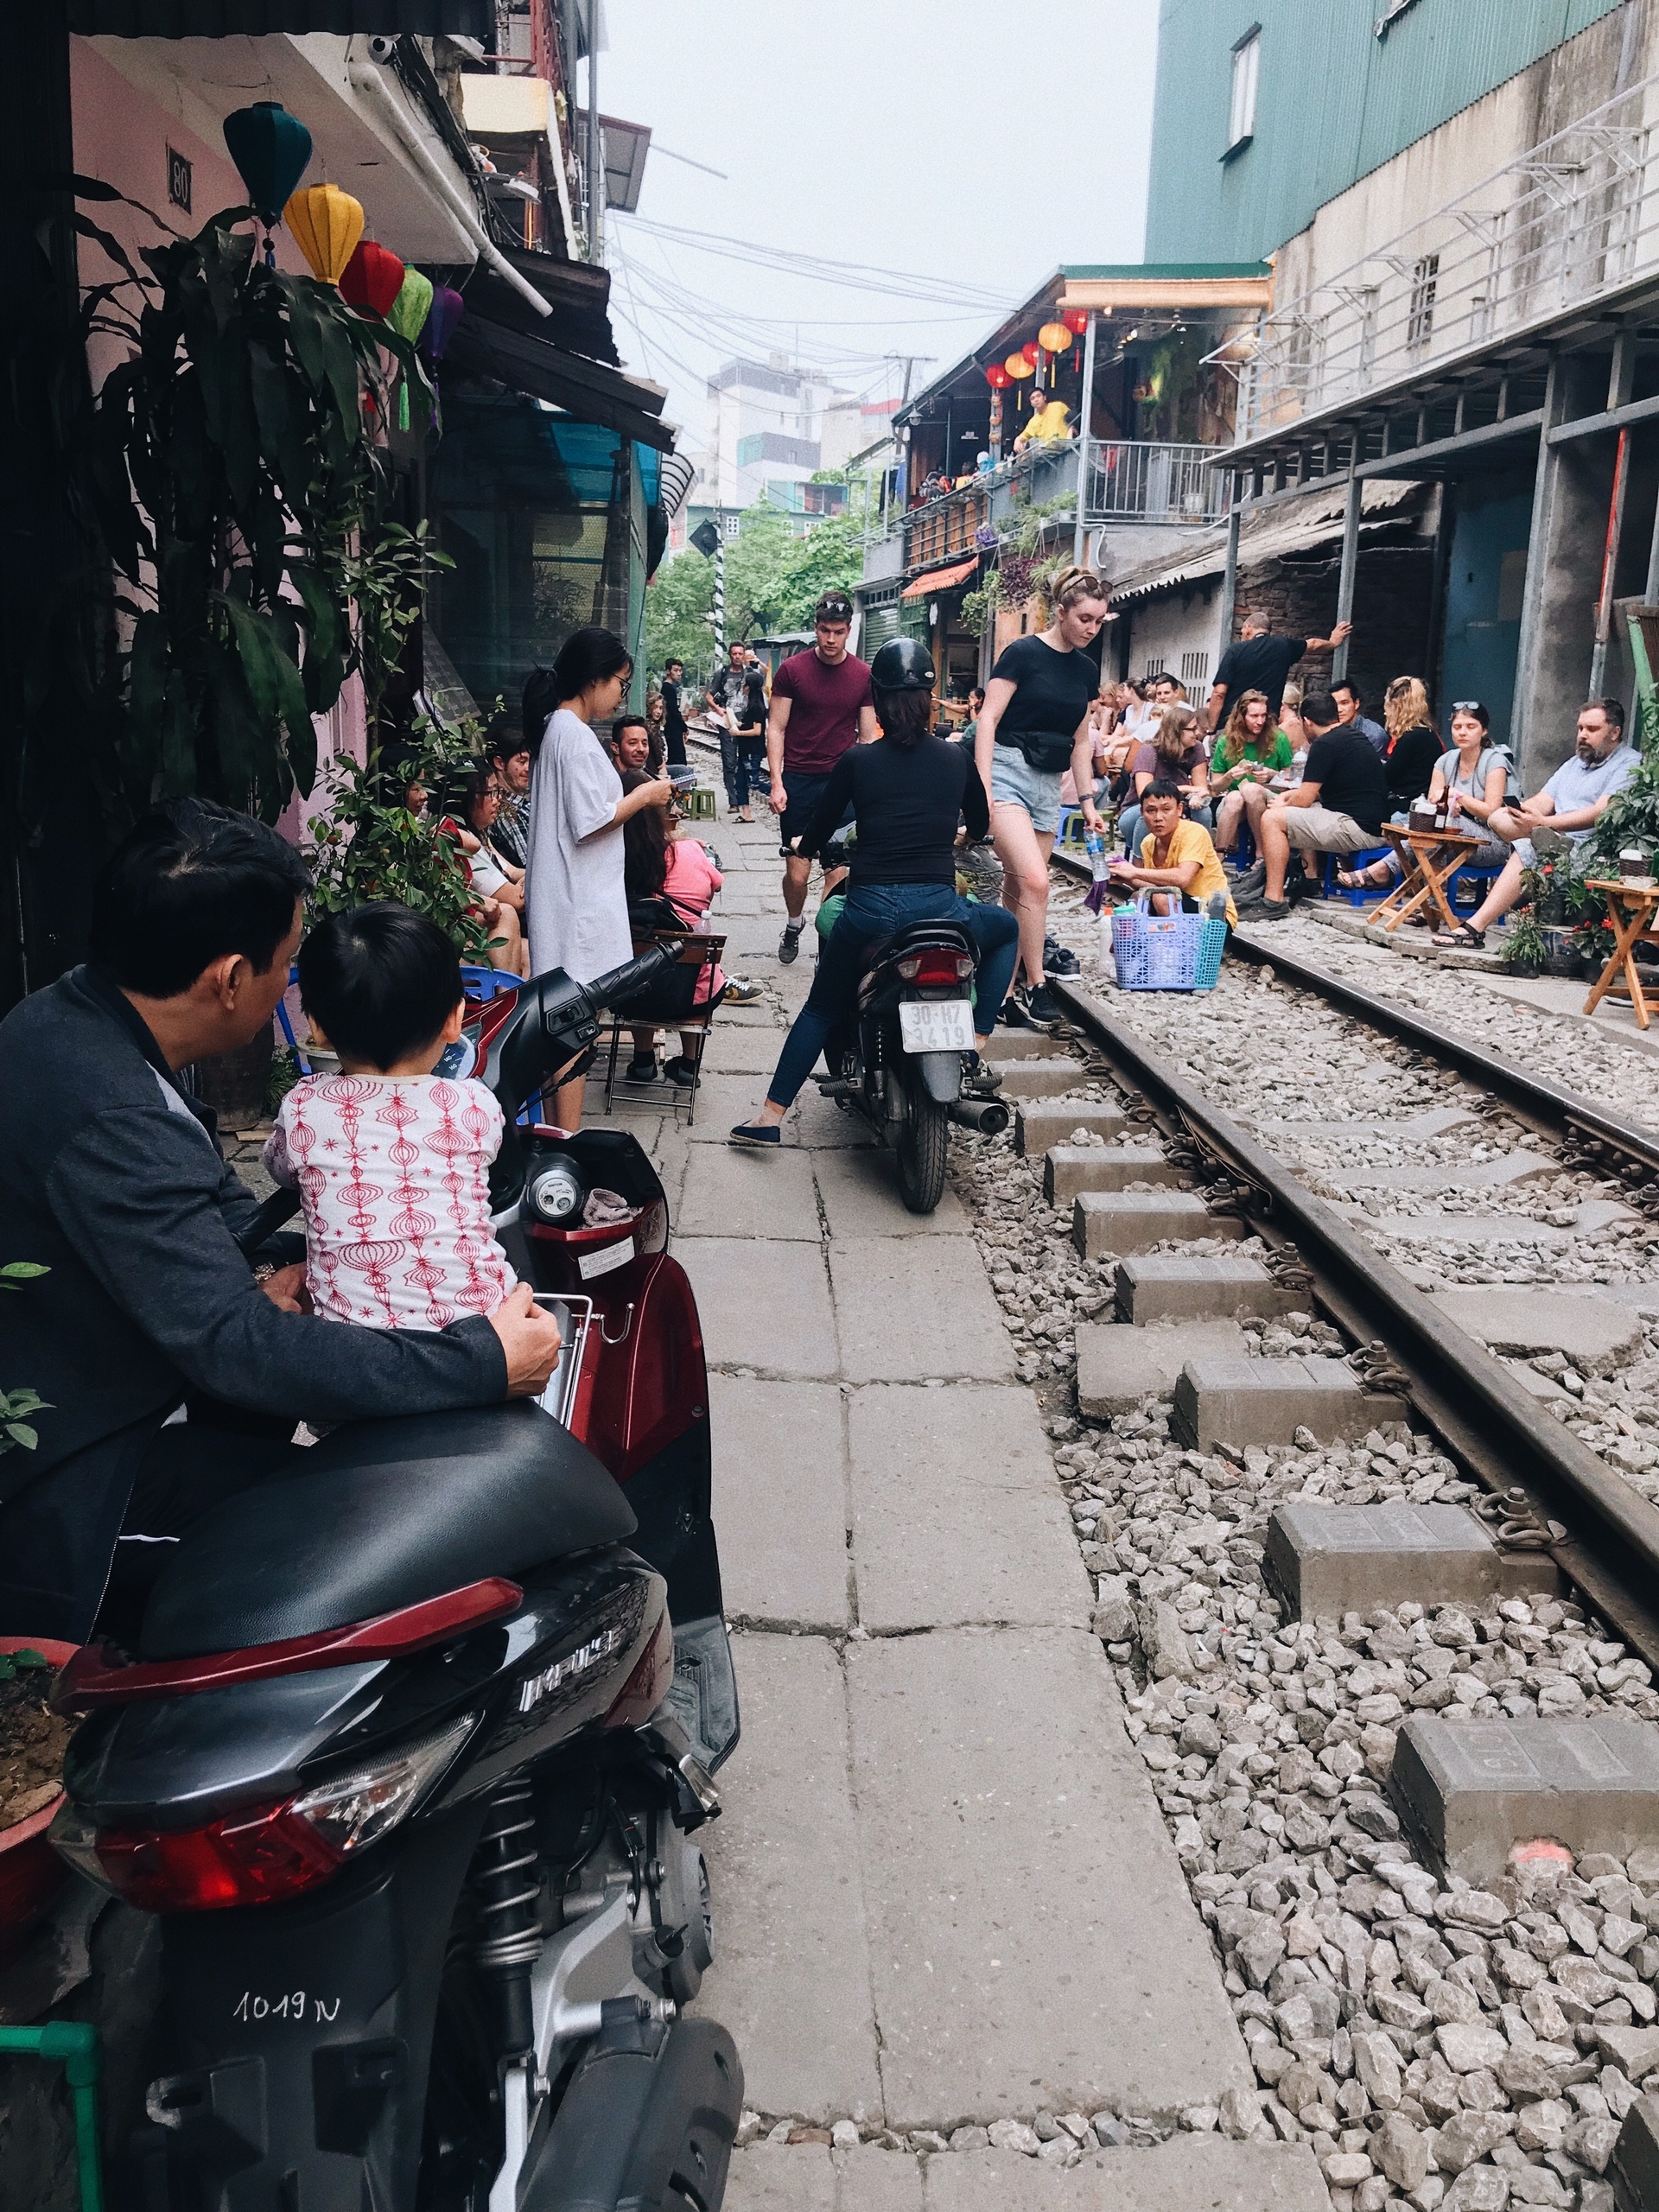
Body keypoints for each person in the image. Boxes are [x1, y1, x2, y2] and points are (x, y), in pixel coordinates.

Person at [0, 800, 563, 1638]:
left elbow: (200, 1201)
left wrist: (292, 1257)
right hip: (88, 1479)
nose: (291, 986)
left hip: (134, 1382)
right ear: (229, 979)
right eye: (288, 963)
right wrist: (479, 1359)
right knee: (394, 1532)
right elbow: (238, 1350)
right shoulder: (109, 1110)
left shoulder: (77, 1024)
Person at [730, 639, 1021, 1147]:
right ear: (930, 697)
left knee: (822, 1005)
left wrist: (803, 842)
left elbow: (818, 834)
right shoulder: (955, 759)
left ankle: (771, 1117)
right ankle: (975, 1040)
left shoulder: (856, 762)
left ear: (879, 700)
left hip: (871, 915)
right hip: (941, 911)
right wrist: (961, 834)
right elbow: (978, 822)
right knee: (1008, 929)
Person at [266, 905, 518, 1326]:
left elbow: (281, 1169)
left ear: (318, 1028)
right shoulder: (475, 1104)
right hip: (487, 1325)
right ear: (455, 1020)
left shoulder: (302, 1108)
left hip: (353, 1341)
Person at [524, 629, 674, 1130]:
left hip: (565, 896)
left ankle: (556, 1134)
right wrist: (646, 797)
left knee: (562, 1026)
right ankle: (566, 1139)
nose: (621, 695)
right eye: (620, 682)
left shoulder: (555, 730)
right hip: (578, 903)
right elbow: (592, 822)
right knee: (574, 1028)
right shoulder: (575, 737)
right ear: (594, 678)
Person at [976, 566, 1112, 1027]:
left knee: (1018, 889)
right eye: (1085, 619)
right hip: (1006, 771)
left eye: (1099, 622)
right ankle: (1037, 985)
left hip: (1049, 784)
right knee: (1036, 882)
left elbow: (1079, 740)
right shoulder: (1022, 653)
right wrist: (981, 784)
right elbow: (988, 720)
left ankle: (998, 991)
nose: (1092, 630)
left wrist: (1089, 803)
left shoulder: (1087, 670)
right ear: (1062, 612)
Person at [1433, 698, 1640, 949]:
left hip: (1591, 848)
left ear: (1615, 732)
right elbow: (1542, 800)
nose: (1582, 735)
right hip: (1554, 835)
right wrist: (1520, 813)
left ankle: (1474, 928)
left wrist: (1544, 822)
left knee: (1525, 849)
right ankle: (1539, 844)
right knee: (1499, 818)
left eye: (1591, 729)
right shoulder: (1575, 763)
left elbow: (1601, 812)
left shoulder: (1629, 763)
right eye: (1580, 728)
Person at [618, 775, 757, 1086]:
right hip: (690, 996)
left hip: (632, 994)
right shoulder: (690, 852)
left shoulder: (616, 860)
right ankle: (688, 1065)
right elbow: (716, 883)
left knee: (640, 965)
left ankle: (642, 1060)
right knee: (699, 967)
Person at [766, 589, 879, 964]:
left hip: (842, 783)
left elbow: (866, 738)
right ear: (816, 628)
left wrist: (866, 789)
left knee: (839, 873)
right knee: (798, 875)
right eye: (825, 631)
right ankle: (794, 922)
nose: (831, 639)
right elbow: (777, 728)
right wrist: (777, 783)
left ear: (849, 631)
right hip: (799, 781)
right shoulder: (792, 671)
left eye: (839, 632)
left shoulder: (863, 676)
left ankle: (827, 949)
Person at [1241, 690, 1390, 920]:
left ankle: (1273, 900)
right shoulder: (1352, 736)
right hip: (1374, 823)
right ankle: (1307, 879)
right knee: (1295, 814)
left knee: (1272, 820)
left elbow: (1304, 799)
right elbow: (1316, 793)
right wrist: (1288, 799)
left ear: (1307, 721)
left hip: (1357, 827)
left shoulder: (1325, 744)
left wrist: (1282, 801)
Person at [1338, 700, 1515, 894]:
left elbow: (1491, 810)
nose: (1462, 732)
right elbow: (1433, 799)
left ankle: (1384, 870)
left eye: (1470, 727)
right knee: (1432, 822)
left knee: (1444, 822)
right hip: (1449, 840)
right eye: (1457, 727)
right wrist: (1446, 803)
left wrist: (1458, 798)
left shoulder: (1494, 762)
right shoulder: (1445, 760)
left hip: (1489, 845)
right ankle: (1430, 905)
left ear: (1483, 731)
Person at [1107, 779, 1237, 928]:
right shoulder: (1148, 842)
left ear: (1179, 809)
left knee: (1162, 898)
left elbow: (1182, 878)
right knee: (1139, 898)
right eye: (1150, 811)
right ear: (1142, 813)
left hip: (1213, 916)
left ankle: (1178, 949)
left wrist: (1135, 871)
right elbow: (1153, 884)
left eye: (1166, 810)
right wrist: (1126, 877)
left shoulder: (1194, 832)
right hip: (1180, 907)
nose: (1158, 818)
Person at [1207, 609, 1354, 730]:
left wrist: (1212, 728)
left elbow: (1219, 692)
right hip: (1265, 727)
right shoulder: (1283, 646)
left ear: (1248, 629)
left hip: (1232, 726)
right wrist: (1332, 643)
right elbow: (1313, 644)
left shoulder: (1235, 651)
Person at [1116, 702, 1213, 860]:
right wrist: (1187, 789)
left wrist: (1197, 796)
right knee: (1153, 811)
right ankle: (1140, 863)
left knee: (1203, 810)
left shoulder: (1197, 749)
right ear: (1177, 731)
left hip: (1176, 807)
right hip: (1136, 810)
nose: (1197, 733)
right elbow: (1146, 794)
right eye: (1192, 729)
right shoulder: (1149, 751)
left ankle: (1198, 858)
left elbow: (1201, 788)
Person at [1210, 690, 1294, 855]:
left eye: (1263, 716)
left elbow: (1292, 780)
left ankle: (1261, 854)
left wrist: (1272, 774)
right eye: (1254, 716)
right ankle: (1218, 858)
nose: (1260, 721)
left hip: (1270, 797)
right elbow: (1215, 788)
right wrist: (1228, 776)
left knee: (1252, 790)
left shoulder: (1278, 738)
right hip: (1236, 800)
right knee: (1234, 797)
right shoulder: (1225, 741)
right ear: (1242, 717)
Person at [1377, 677, 1443, 817]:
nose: (1385, 713)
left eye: (1387, 706)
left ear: (1396, 706)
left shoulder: (1412, 738)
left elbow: (1386, 776)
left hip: (1407, 810)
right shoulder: (1426, 734)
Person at [707, 641, 757, 821]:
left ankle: (744, 799)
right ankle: (733, 801)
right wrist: (718, 710)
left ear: (744, 655)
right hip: (726, 723)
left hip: (746, 723)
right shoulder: (722, 673)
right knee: (729, 762)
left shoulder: (750, 674)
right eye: (734, 654)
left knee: (745, 763)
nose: (737, 656)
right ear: (730, 655)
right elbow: (709, 695)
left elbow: (760, 692)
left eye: (740, 654)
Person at [486, 723, 533, 871]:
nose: (528, 768)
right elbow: (531, 863)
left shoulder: (521, 805)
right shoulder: (504, 811)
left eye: (530, 761)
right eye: (521, 761)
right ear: (500, 763)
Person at [1332, 678, 1389, 755]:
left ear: (1356, 704)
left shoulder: (1372, 735)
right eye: (1334, 704)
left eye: (1344, 703)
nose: (1339, 709)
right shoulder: (1328, 729)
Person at [660, 658, 689, 769]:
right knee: (678, 757)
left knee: (676, 755)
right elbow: (673, 711)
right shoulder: (668, 688)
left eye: (680, 671)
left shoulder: (670, 688)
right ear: (668, 671)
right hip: (673, 727)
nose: (679, 673)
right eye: (676, 670)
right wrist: (684, 727)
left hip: (671, 727)